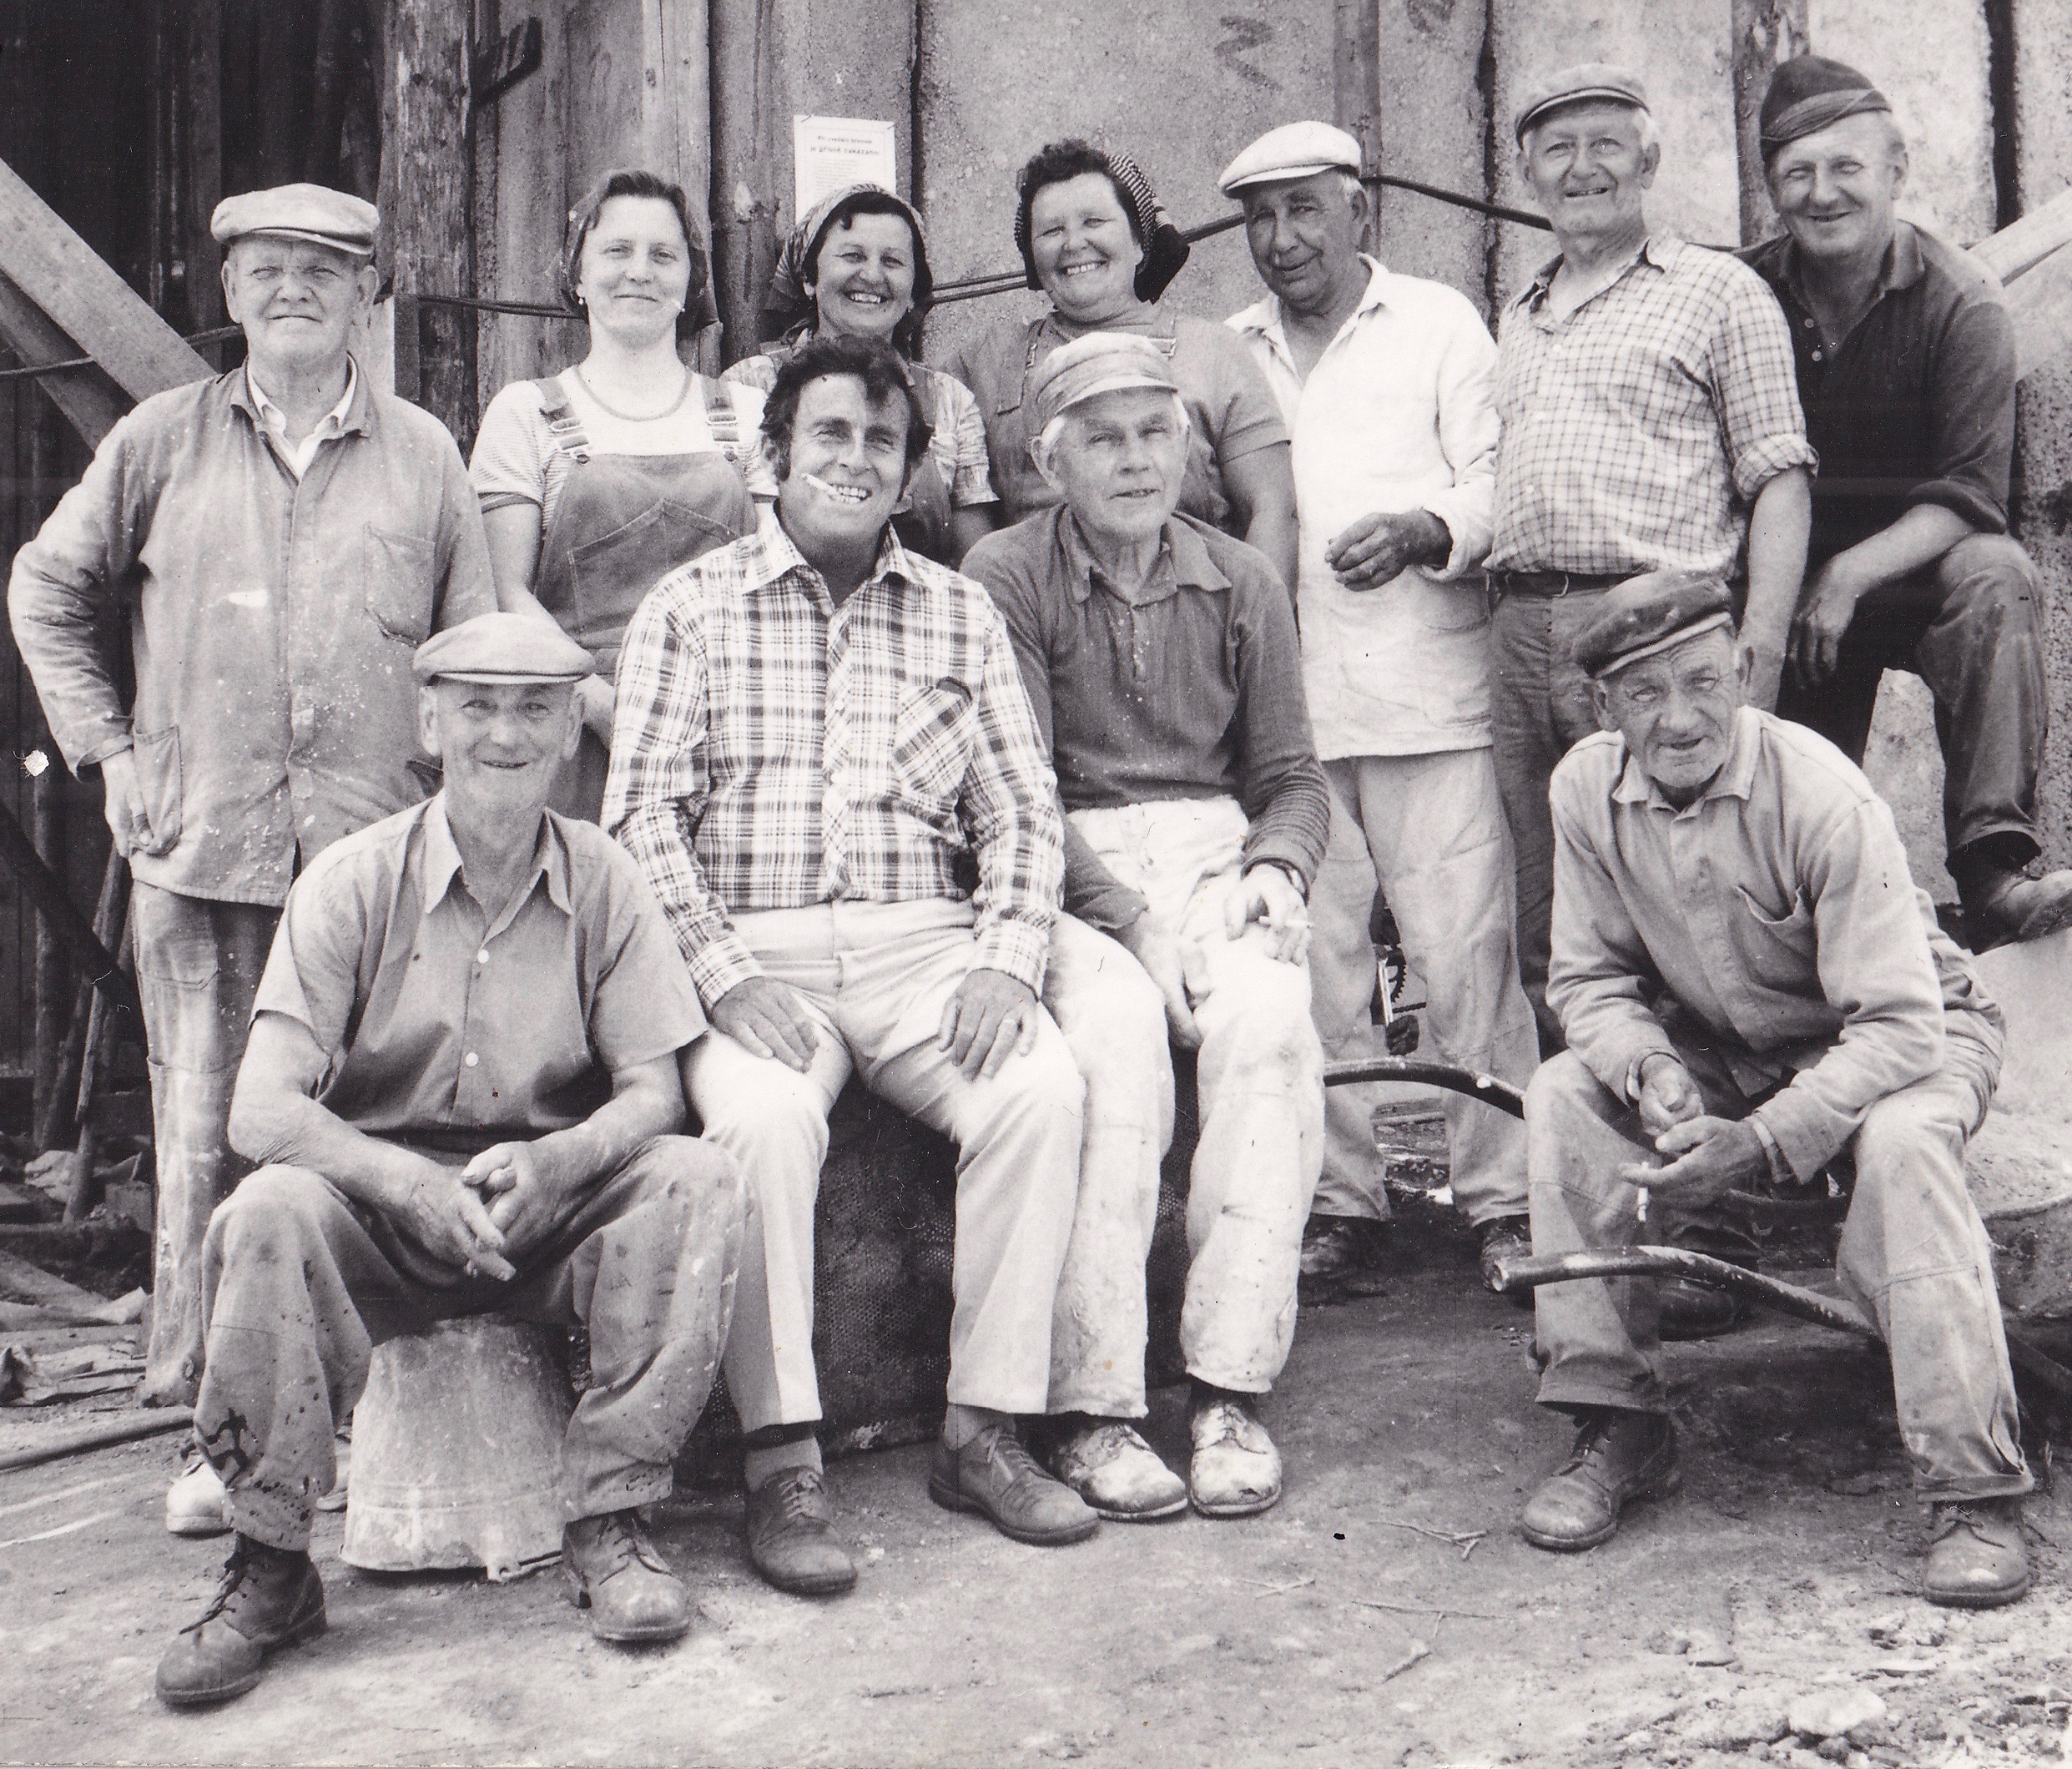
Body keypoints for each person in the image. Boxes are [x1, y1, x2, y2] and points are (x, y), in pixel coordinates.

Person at [151, 612, 745, 1707]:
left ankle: (612, 1520)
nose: (505, 735)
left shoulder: (607, 880)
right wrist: (406, 1185)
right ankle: (271, 1565)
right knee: (269, 1209)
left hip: (541, 1216)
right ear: (431, 721)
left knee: (695, 1179)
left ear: (570, 730)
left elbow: (655, 1092)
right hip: (378, 1221)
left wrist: (564, 1161)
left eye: (535, 710)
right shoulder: (352, 879)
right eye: (478, 707)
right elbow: (261, 1109)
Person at [8, 183, 495, 1469]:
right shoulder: (162, 441)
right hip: (204, 852)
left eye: (323, 270)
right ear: (228, 291)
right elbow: (46, 589)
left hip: (376, 875)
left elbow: (474, 654)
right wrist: (110, 750)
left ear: (366, 294)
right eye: (267, 268)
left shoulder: (424, 455)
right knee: (206, 1137)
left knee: (371, 1142)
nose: (293, 290)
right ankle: (211, 1430)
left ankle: (359, 1420)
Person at [605, 333, 1098, 1590]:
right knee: (763, 1123)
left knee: (1039, 1089)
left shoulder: (958, 610)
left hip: (924, 944)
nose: (855, 459)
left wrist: (1005, 959)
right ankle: (784, 1465)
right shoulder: (689, 606)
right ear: (774, 453)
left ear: (911, 470)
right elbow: (642, 818)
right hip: (752, 949)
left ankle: (983, 1430)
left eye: (883, 441)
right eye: (829, 432)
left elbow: (1022, 809)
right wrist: (724, 975)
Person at [1514, 571, 2032, 1611]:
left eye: (1702, 681)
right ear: (1605, 707)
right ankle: (1618, 1421)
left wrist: (1757, 1142)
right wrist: (1651, 1067)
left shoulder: (1823, 792)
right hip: (1732, 1041)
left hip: (1908, 1033)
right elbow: (1588, 981)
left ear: (1744, 672)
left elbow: (1901, 1023)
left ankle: (1974, 1487)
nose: (1678, 718)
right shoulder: (1583, 790)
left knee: (1903, 1146)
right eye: (1644, 693)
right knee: (1565, 1091)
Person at [967, 334, 1330, 1520]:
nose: (1135, 461)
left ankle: (1228, 1389)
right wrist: (1129, 924)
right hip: (1061, 863)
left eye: (1156, 434)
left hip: (1212, 854)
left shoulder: (1241, 578)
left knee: (1270, 1020)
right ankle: (1094, 1406)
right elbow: (1016, 793)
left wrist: (1275, 868)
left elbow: (1291, 776)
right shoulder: (1006, 574)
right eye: (1104, 439)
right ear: (1050, 462)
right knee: (1116, 1040)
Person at [1218, 120, 1541, 1286]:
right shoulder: (1232, 347)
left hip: (1426, 698)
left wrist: (1424, 528)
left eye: (1305, 208)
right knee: (1315, 966)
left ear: (1362, 211)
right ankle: (1338, 1200)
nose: (1282, 238)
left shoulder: (1440, 322)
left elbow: (1501, 477)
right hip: (1288, 715)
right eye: (1261, 217)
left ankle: (1507, 1199)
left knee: (1466, 956)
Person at [1485, 65, 1816, 1045]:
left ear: (1649, 161)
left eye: (1606, 145)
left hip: (1657, 632)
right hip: (1522, 628)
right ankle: (1582, 1111)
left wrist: (1757, 650)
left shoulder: (1720, 291)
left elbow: (1780, 478)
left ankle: (1705, 1120)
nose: (1581, 168)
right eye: (1558, 148)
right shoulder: (1519, 313)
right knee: (1553, 900)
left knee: (1685, 887)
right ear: (1528, 172)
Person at [1741, 54, 2072, 946]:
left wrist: (1848, 575)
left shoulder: (1962, 299)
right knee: (1794, 873)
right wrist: (1783, 596)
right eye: (1797, 172)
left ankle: (1994, 867)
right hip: (1778, 589)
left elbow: (1971, 491)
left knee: (1995, 575)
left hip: (1907, 578)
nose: (1823, 193)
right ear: (1772, 190)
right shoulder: (1740, 294)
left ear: (1896, 170)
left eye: (1847, 166)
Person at [468, 169, 770, 821]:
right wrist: (605, 705)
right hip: (576, 725)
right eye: (616, 251)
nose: (639, 271)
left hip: (727, 727)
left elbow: (777, 579)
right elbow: (504, 591)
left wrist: (708, 710)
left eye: (663, 255)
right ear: (576, 275)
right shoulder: (525, 413)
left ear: (690, 282)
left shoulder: (748, 414)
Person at [941, 139, 1298, 582]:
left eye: (1094, 221)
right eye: (1051, 231)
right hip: (1036, 618)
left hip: (1194, 615)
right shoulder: (988, 361)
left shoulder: (1215, 351)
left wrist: (1257, 621)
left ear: (1139, 241)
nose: (1074, 243)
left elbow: (1272, 510)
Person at [723, 184, 1001, 565]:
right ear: (809, 279)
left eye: (892, 261)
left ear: (913, 292)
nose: (871, 275)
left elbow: (975, 559)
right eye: (852, 256)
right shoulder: (748, 386)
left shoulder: (949, 401)